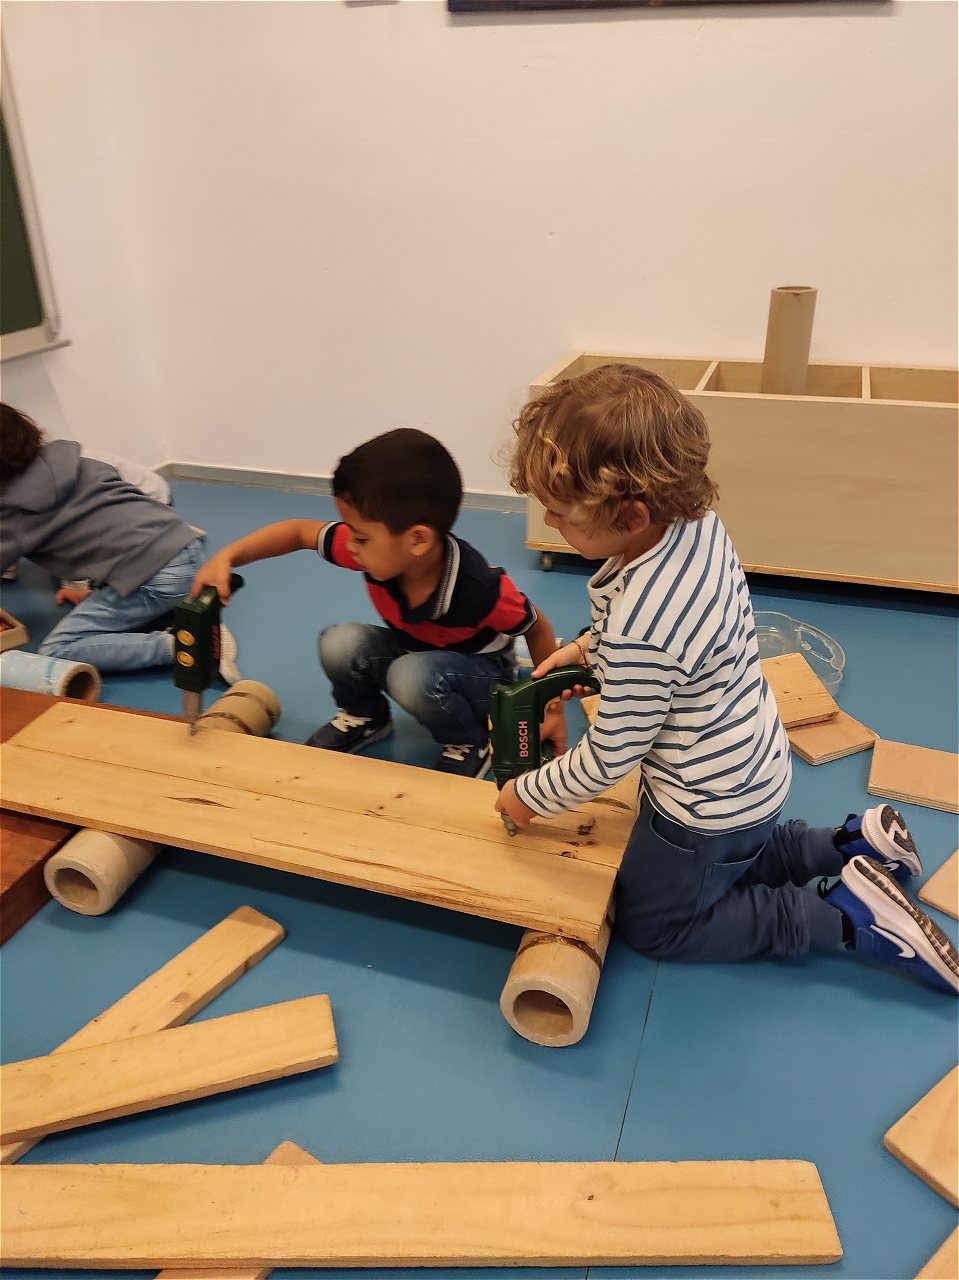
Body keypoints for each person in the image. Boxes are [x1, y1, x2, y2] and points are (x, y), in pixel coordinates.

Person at [494, 363, 957, 995]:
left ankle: (842, 919)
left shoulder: (642, 627)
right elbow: (673, 636)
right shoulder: (694, 526)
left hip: (703, 809)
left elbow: (609, 758)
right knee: (744, 853)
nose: (549, 523)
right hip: (752, 768)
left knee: (657, 925)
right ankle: (852, 844)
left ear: (631, 516)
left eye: (561, 514)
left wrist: (529, 795)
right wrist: (587, 647)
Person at [192, 428, 561, 778]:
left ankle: (471, 740)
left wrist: (550, 709)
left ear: (417, 540)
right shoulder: (376, 551)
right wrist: (227, 557)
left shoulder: (479, 587)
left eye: (360, 537)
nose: (350, 545)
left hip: (483, 679)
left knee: (410, 676)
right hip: (419, 657)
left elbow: (538, 628)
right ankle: (366, 716)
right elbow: (299, 532)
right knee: (339, 642)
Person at [0, 402, 236, 679]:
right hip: (184, 548)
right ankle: (184, 611)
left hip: (155, 577)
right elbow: (101, 528)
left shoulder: (11, 514)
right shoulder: (76, 460)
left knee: (57, 649)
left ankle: (189, 644)